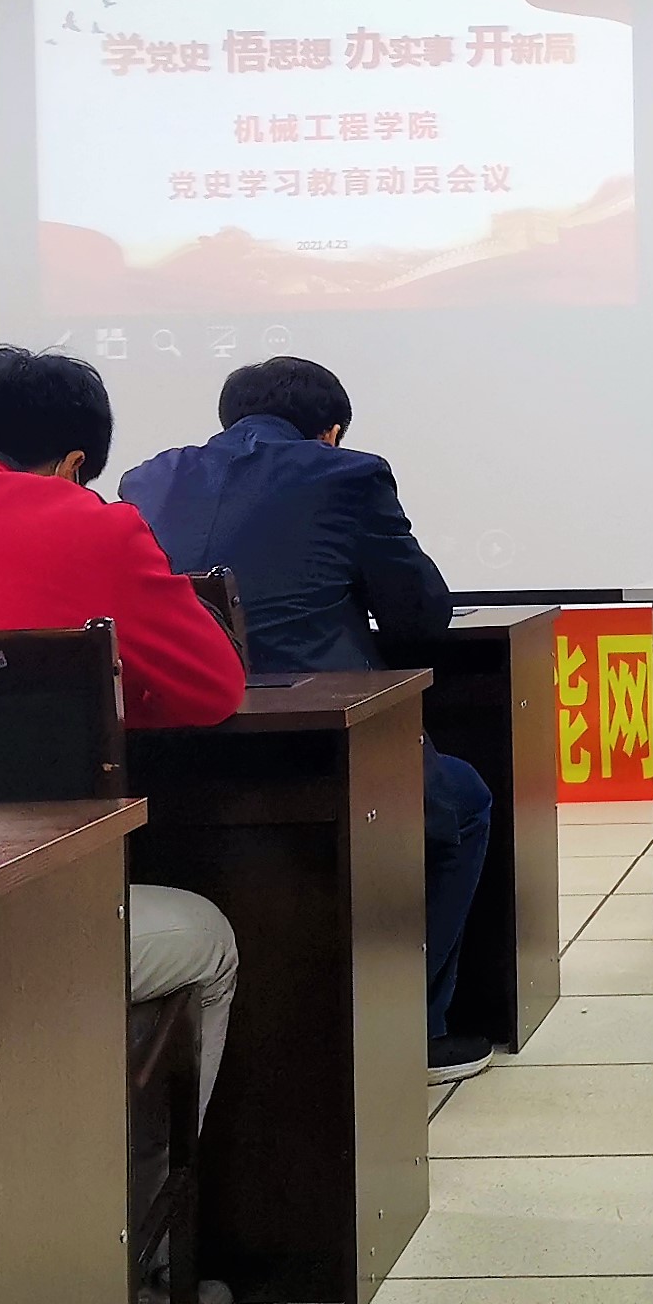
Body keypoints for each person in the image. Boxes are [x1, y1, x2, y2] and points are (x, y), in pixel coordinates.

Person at [0, 346, 253, 1304]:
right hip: (18, 923)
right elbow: (212, 690)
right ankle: (131, 1276)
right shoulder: (86, 522)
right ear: (72, 461)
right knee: (202, 937)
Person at [121, 356, 496, 1078]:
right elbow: (419, 615)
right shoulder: (349, 475)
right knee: (462, 802)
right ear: (330, 431)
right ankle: (412, 1032)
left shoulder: (148, 479)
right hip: (320, 740)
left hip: (167, 750)